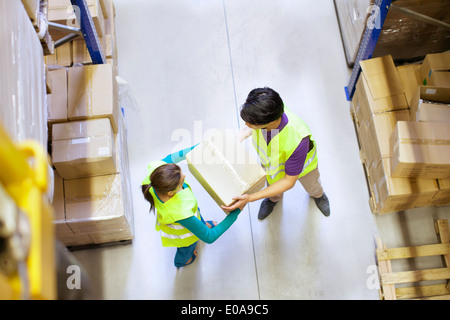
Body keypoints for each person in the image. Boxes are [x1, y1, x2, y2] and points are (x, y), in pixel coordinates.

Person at [222, 87, 330, 219]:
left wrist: (250, 198)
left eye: (251, 123)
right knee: (273, 186)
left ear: (270, 122)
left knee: (312, 185)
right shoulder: (270, 110)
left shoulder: (298, 140)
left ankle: (318, 196)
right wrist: (239, 136)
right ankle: (273, 200)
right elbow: (247, 129)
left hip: (305, 169)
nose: (247, 124)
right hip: (272, 166)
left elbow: (288, 182)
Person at [141, 146, 242, 268]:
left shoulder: (156, 174)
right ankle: (181, 261)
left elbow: (172, 157)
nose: (185, 175)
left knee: (198, 218)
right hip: (185, 234)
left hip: (192, 214)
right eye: (181, 180)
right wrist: (236, 212)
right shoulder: (180, 212)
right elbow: (209, 237)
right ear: (171, 193)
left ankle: (203, 224)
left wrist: (198, 147)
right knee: (186, 249)